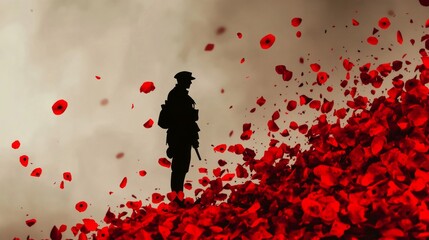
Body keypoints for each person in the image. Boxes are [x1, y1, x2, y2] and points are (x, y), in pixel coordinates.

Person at [164, 71, 200, 204]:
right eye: (188, 80)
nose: (190, 82)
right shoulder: (177, 95)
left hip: (185, 136)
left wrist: (194, 137)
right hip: (179, 136)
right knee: (179, 168)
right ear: (182, 81)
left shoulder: (182, 95)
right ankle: (176, 198)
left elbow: (190, 121)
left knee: (182, 167)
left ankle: (178, 196)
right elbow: (181, 120)